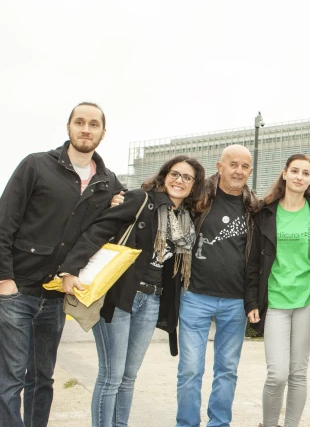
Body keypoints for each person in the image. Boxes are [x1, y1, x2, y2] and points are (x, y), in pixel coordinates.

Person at [0, 102, 124, 427]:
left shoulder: (108, 182)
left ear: (102, 133)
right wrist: (4, 279)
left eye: (93, 124)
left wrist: (119, 202)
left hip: (56, 297)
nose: (86, 129)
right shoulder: (36, 165)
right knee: (11, 377)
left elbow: (116, 222)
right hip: (18, 290)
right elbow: (4, 222)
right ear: (68, 127)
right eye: (79, 122)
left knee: (42, 377)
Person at [60, 156, 205, 427]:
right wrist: (70, 269)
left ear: (194, 186)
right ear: (164, 176)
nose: (180, 181)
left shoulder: (185, 219)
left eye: (187, 178)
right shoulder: (140, 200)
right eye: (175, 174)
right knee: (111, 375)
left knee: (128, 376)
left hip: (151, 301)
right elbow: (99, 230)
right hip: (120, 296)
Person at [176, 145, 260, 427]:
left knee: (227, 370)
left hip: (235, 302)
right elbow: (167, 196)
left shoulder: (254, 207)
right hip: (195, 296)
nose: (238, 170)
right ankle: (187, 423)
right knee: (190, 370)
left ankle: (219, 423)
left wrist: (252, 300)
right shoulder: (197, 198)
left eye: (244, 166)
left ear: (250, 170)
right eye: (232, 164)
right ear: (219, 166)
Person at [245, 153, 310, 427]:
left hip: (307, 301)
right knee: (277, 374)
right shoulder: (265, 213)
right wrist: (251, 301)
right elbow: (253, 262)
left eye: (305, 173)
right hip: (275, 303)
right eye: (294, 171)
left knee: (298, 372)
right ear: (284, 174)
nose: (299, 177)